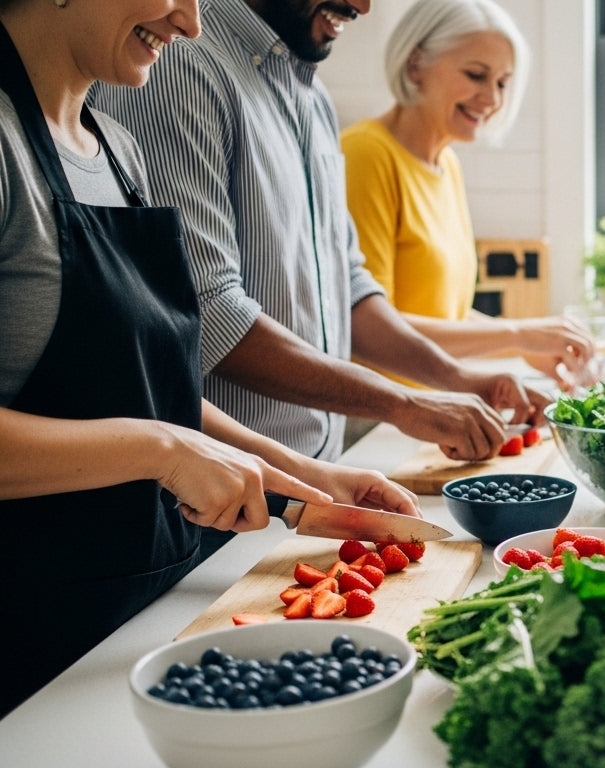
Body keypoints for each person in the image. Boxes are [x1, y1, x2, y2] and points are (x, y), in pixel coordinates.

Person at [0, 0, 416, 716]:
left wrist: (310, 481)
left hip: (138, 621)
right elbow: (155, 428)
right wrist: (163, 448)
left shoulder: (119, 151)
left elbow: (148, 388)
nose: (191, 24)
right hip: (28, 648)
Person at [87, 0, 547, 486]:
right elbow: (209, 314)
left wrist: (455, 378)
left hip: (313, 479)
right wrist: (402, 402)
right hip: (222, 494)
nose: (364, 6)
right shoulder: (181, 69)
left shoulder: (312, 95)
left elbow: (347, 287)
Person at [341, 0, 594, 392]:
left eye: (502, 83)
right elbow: (370, 326)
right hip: (379, 415)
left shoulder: (447, 165)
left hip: (432, 406)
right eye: (477, 75)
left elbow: (445, 315)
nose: (492, 99)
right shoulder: (366, 155)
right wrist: (516, 334)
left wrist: (527, 347)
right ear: (415, 65)